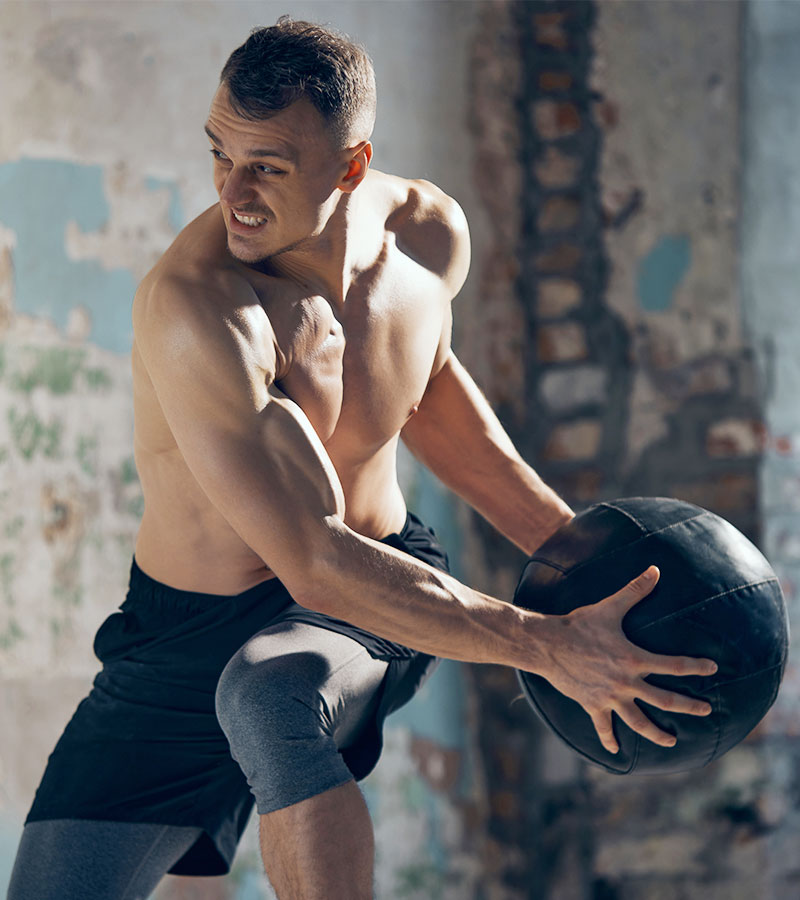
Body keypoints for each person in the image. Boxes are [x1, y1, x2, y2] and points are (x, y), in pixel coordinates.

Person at [7, 17, 717, 900]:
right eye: (219, 156)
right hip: (182, 641)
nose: (235, 192)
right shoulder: (201, 311)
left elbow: (434, 407)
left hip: (369, 597)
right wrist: (546, 645)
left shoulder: (424, 239)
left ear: (351, 165)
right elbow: (309, 557)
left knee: (269, 699)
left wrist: (587, 564)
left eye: (267, 165)